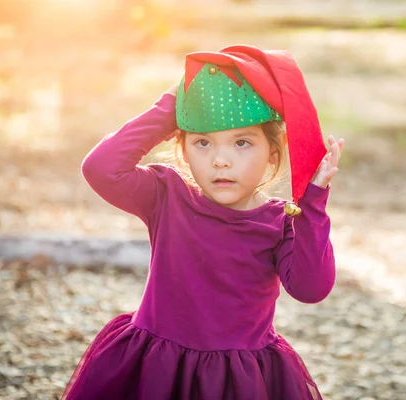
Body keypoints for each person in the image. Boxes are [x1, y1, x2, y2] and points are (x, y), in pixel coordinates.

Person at [62, 44, 345, 400]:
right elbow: (100, 168)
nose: (221, 161)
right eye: (202, 143)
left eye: (242, 143)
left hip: (238, 383)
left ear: (272, 155)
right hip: (155, 370)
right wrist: (172, 107)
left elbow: (311, 289)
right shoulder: (167, 196)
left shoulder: (281, 222)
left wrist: (313, 203)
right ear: (182, 150)